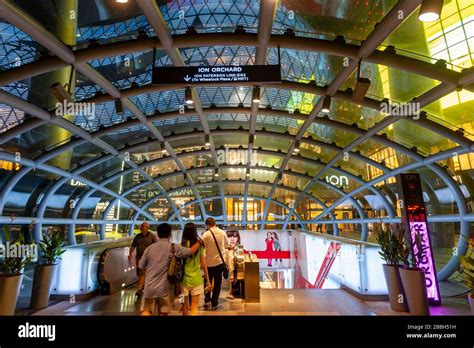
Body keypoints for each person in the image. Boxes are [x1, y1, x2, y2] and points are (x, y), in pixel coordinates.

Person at [138, 223, 202, 316]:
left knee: (147, 311)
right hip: (164, 289)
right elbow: (190, 251)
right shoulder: (173, 247)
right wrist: (200, 242)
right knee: (163, 313)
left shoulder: (149, 249)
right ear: (170, 234)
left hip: (149, 287)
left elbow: (141, 265)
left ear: (158, 234)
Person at [180, 223, 210, 316]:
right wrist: (208, 280)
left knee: (185, 306)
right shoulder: (200, 245)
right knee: (194, 307)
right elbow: (204, 264)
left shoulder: (182, 245)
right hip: (196, 279)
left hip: (184, 279)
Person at [201, 217, 229, 310]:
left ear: (208, 225)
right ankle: (214, 303)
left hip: (208, 263)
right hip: (219, 263)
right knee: (217, 284)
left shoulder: (206, 234)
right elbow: (226, 245)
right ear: (214, 223)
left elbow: (202, 246)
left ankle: (206, 300)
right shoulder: (222, 233)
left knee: (207, 281)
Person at [128, 222, 157, 297]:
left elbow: (156, 246)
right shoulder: (137, 236)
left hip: (149, 258)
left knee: (143, 273)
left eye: (142, 226)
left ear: (147, 228)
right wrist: (130, 254)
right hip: (139, 258)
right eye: (141, 226)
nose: (141, 228)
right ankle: (143, 288)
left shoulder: (152, 236)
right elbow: (133, 246)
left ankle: (140, 289)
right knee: (140, 273)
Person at [225, 230, 241, 299]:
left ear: (238, 238)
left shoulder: (239, 250)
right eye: (229, 236)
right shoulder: (224, 250)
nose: (232, 239)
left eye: (235, 236)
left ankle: (232, 291)